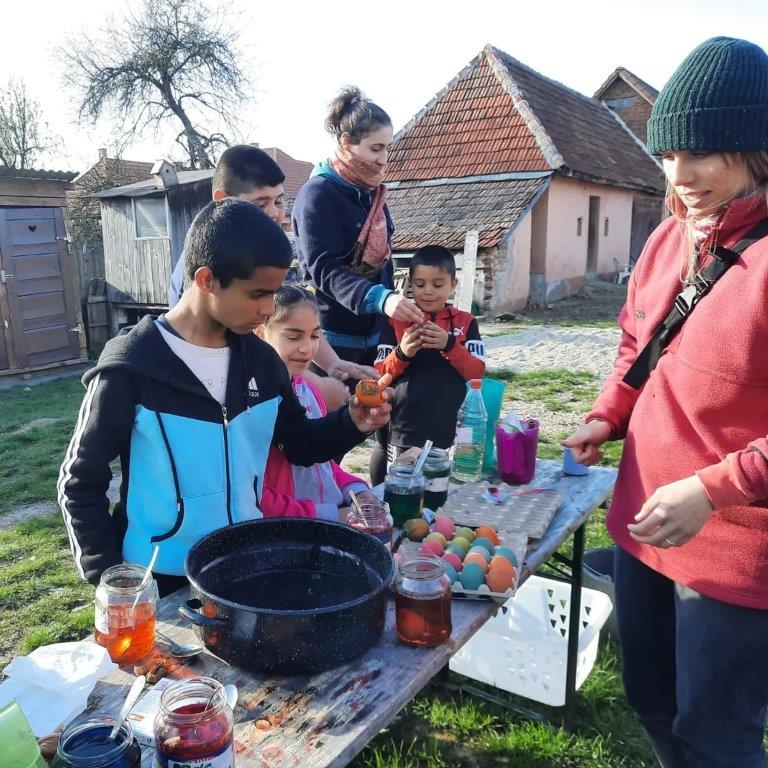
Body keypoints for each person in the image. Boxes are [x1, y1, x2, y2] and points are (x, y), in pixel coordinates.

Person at [563, 37, 768, 768]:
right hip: (644, 520)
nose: (681, 177)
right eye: (669, 155)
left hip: (737, 552)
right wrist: (606, 415)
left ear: (754, 147)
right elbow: (637, 350)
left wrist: (714, 491)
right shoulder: (666, 242)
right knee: (650, 701)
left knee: (718, 734)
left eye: (702, 154)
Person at [58, 199, 393, 597]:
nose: (269, 309)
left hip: (248, 562)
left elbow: (299, 445)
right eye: (257, 294)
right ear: (206, 280)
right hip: (160, 583)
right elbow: (79, 482)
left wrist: (353, 420)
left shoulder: (263, 363)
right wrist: (109, 580)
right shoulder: (130, 367)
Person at [167, 144, 375, 388]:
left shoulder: (260, 251)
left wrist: (331, 364)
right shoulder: (209, 265)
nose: (274, 214)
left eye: (278, 201)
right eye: (260, 204)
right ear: (222, 201)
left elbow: (288, 310)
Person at [293, 87, 422, 481]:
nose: (383, 160)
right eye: (375, 149)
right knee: (335, 432)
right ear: (346, 143)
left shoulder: (371, 194)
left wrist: (391, 313)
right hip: (335, 332)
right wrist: (380, 299)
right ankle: (327, 508)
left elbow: (380, 259)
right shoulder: (318, 196)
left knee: (384, 420)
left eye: (387, 150)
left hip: (376, 332)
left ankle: (384, 504)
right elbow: (323, 269)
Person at [260, 285, 378, 520]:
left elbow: (322, 466)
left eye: (315, 336)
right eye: (293, 336)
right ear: (262, 333)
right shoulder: (259, 403)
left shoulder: (310, 391)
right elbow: (258, 497)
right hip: (291, 532)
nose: (307, 348)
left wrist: (356, 491)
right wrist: (330, 515)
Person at [373, 245, 485, 471]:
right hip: (404, 423)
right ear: (410, 284)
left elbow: (477, 373)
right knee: (400, 484)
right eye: (420, 284)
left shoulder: (466, 322)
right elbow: (378, 373)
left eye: (438, 284)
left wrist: (450, 345)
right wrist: (402, 352)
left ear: (453, 284)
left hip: (450, 422)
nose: (428, 291)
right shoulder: (396, 320)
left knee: (439, 484)